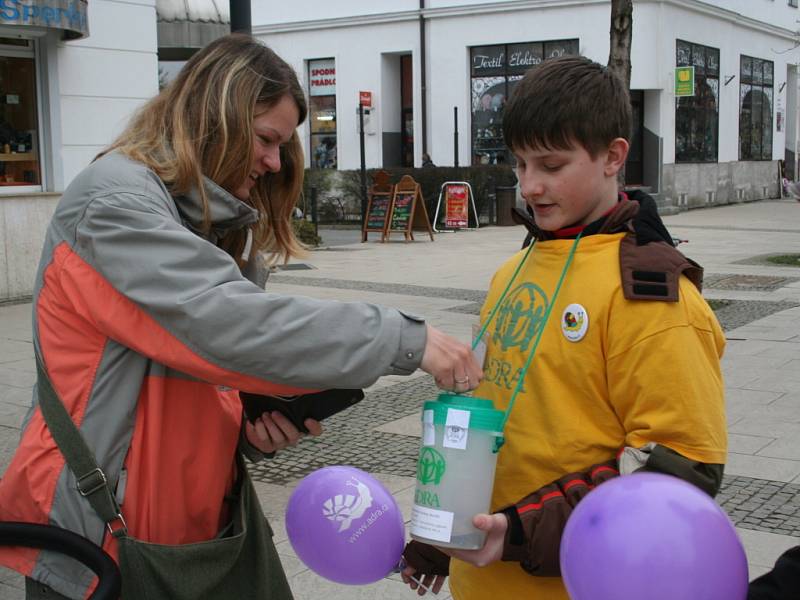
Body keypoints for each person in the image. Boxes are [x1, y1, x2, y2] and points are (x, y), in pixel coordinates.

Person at [0, 34, 482, 600]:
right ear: (216, 116)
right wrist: (405, 338)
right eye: (266, 139)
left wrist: (247, 430)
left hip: (188, 535)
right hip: (99, 544)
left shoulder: (201, 217)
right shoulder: (113, 204)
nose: (275, 161)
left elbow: (190, 368)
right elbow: (228, 328)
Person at [401, 56, 727, 599]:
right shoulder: (515, 268)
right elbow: (496, 422)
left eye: (550, 166)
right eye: (520, 165)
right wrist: (445, 532)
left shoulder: (650, 294)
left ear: (613, 156)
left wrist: (522, 532)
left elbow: (679, 471)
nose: (529, 186)